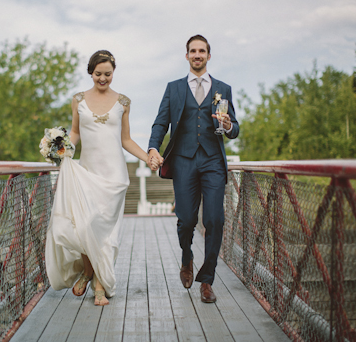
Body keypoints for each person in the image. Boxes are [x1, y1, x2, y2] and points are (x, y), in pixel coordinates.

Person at [45, 50, 151, 306]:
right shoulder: (78, 100)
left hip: (115, 175)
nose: (103, 79)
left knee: (107, 232)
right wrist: (58, 149)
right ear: (90, 72)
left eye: (108, 74)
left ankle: (100, 285)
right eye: (98, 74)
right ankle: (88, 270)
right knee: (84, 225)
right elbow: (74, 132)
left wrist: (147, 158)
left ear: (113, 72)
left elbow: (125, 140)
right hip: (87, 172)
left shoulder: (124, 102)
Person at [147, 35, 239, 303]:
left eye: (202, 51)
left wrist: (229, 125)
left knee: (215, 220)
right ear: (186, 56)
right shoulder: (174, 88)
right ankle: (187, 256)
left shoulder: (223, 88)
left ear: (209, 56)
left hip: (212, 161)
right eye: (193, 51)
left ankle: (207, 280)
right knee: (186, 220)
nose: (197, 54)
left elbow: (234, 129)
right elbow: (160, 123)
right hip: (184, 160)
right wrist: (153, 148)